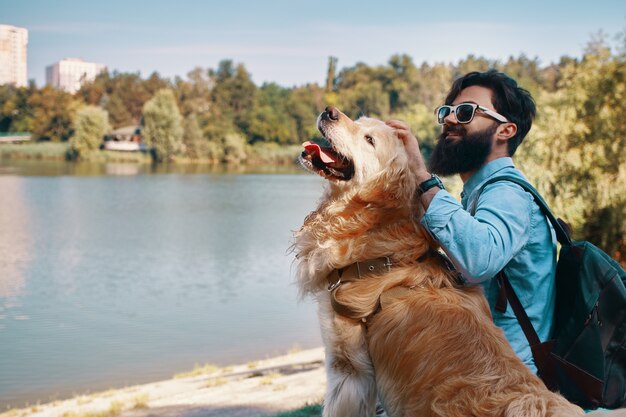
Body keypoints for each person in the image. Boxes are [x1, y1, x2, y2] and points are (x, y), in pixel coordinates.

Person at [387, 70, 554, 374]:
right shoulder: (481, 194)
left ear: (505, 131)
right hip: (487, 368)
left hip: (510, 379)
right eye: (447, 112)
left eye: (465, 112)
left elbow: (478, 259)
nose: (449, 120)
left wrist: (423, 178)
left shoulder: (507, 193)